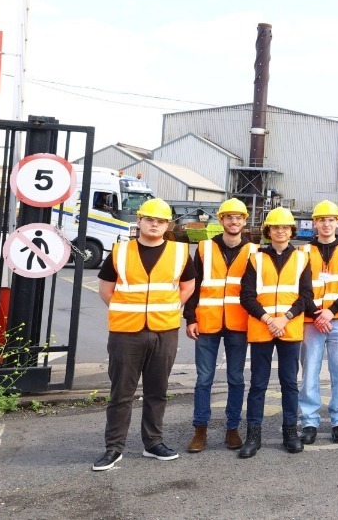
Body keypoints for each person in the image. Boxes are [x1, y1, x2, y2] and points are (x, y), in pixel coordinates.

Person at [92, 198, 197, 472]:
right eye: (150, 219)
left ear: (168, 225)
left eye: (160, 221)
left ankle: (153, 443)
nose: (154, 224)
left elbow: (188, 285)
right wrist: (126, 311)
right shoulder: (120, 251)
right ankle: (114, 447)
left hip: (164, 331)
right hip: (126, 332)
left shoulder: (179, 252)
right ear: (139, 220)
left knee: (157, 391)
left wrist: (171, 308)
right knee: (121, 393)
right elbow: (105, 289)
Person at [237, 207, 314, 458]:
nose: (280, 231)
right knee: (258, 384)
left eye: (285, 227)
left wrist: (285, 318)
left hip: (288, 327)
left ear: (292, 231)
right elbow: (246, 296)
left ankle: (290, 432)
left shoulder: (302, 258)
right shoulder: (256, 258)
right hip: (263, 327)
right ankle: (253, 435)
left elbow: (306, 296)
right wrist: (269, 319)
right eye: (275, 227)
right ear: (268, 231)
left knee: (289, 383)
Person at [184, 198, 255, 454]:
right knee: (204, 379)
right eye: (229, 217)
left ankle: (232, 428)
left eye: (238, 217)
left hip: (239, 322)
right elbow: (194, 286)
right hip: (207, 321)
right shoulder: (204, 248)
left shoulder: (254, 251)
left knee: (236, 379)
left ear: (245, 221)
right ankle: (200, 430)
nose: (234, 221)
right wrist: (190, 318)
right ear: (221, 220)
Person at [298, 200, 338, 445]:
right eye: (322, 220)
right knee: (309, 373)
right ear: (314, 223)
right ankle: (309, 422)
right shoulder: (303, 251)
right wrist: (316, 314)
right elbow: (300, 287)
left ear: (337, 222)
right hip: (311, 321)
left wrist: (331, 312)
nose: (326, 224)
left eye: (331, 220)